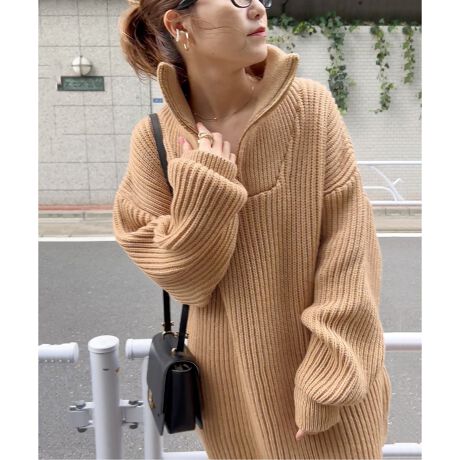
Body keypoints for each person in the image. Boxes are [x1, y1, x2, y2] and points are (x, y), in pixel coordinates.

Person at [113, 0, 392, 458]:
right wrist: (207, 185)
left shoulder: (310, 107)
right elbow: (187, 281)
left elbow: (351, 251)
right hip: (230, 394)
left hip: (329, 381)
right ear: (179, 23)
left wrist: (331, 372)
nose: (258, 7)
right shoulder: (155, 140)